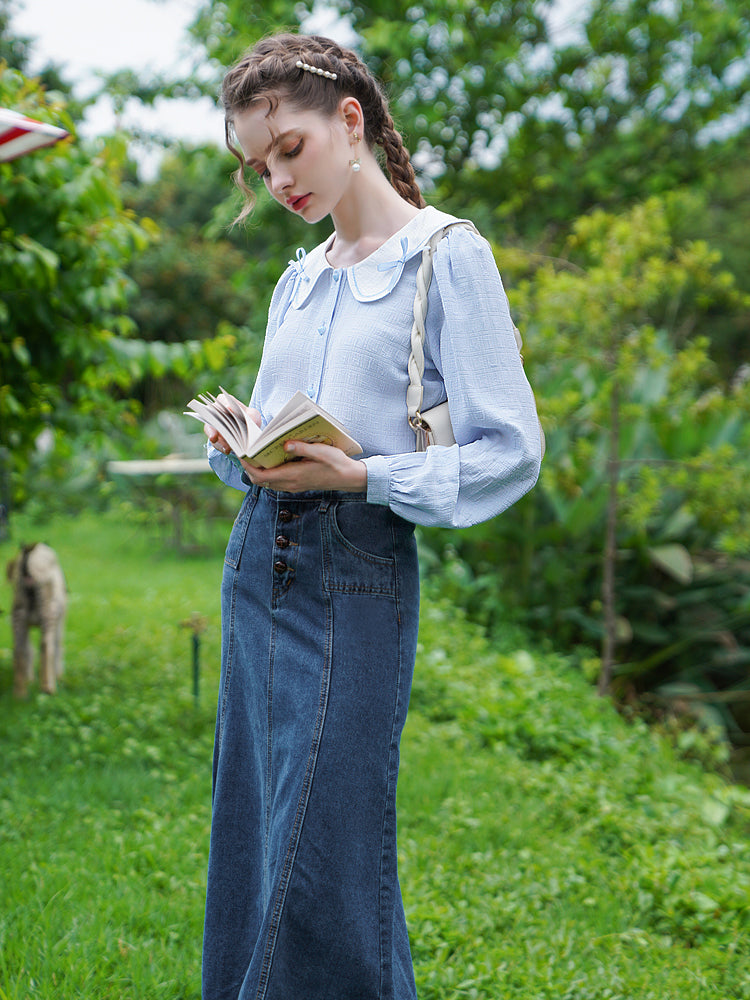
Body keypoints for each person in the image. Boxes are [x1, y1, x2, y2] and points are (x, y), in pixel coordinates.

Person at [201, 32, 542, 1000]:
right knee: (262, 825)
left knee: (323, 841)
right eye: (257, 165)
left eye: (288, 149)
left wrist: (363, 477)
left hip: (356, 571)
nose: (276, 180)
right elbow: (276, 434)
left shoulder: (447, 256)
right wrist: (242, 448)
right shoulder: (300, 278)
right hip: (255, 561)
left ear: (349, 119)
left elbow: (509, 449)